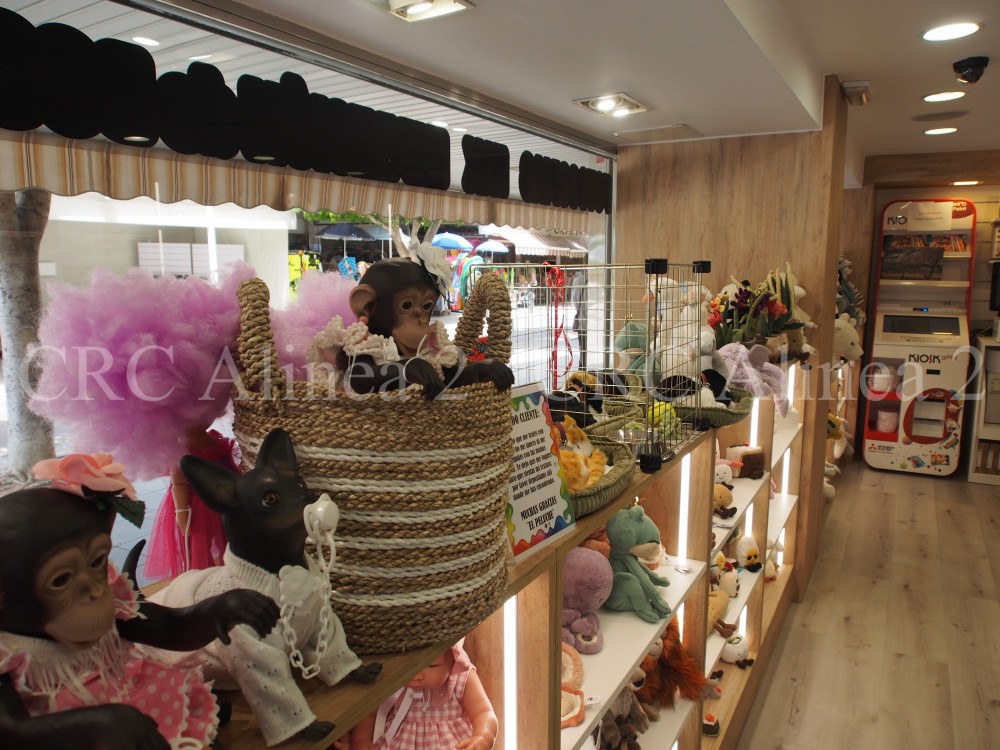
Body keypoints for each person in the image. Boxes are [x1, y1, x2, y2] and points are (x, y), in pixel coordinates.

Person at [345, 640, 497, 750]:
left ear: (454, 659)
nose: (416, 676)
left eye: (432, 665)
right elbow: (370, 713)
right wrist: (361, 740)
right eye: (406, 666)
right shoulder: (393, 683)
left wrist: (483, 736)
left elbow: (484, 712)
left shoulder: (461, 679)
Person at [142, 425, 239, 580]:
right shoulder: (183, 450)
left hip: (213, 505)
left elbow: (231, 472)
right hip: (198, 507)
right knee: (200, 545)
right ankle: (202, 578)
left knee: (218, 542)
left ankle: (226, 573)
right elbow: (179, 484)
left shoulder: (216, 442)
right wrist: (181, 511)